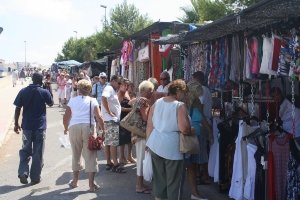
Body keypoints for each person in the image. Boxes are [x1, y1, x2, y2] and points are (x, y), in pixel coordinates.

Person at [146, 79, 196, 200]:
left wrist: (148, 142)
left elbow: (149, 125)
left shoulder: (157, 103)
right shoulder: (179, 106)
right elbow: (184, 129)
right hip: (172, 148)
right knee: (174, 183)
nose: (184, 96)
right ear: (178, 91)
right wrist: (191, 131)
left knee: (159, 180)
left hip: (155, 144)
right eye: (184, 93)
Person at [63, 80, 105, 192]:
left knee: (76, 154)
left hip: (74, 128)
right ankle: (91, 185)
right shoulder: (93, 101)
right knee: (90, 156)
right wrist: (103, 129)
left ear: (79, 89)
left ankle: (75, 181)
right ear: (89, 90)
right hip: (88, 128)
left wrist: (66, 128)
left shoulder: (72, 101)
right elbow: (99, 117)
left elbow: (66, 117)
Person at [13, 72, 54, 185]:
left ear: (32, 79)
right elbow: (51, 103)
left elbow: (17, 108)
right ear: (41, 81)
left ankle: (23, 171)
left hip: (26, 126)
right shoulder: (43, 92)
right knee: (38, 151)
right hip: (40, 127)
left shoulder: (23, 91)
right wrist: (48, 89)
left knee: (25, 149)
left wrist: (16, 124)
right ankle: (35, 177)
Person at [184, 81, 213, 199]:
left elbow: (202, 119)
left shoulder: (197, 103)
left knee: (193, 166)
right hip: (186, 137)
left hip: (198, 137)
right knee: (188, 166)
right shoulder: (182, 103)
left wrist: (210, 132)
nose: (199, 96)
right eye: (197, 93)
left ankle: (194, 192)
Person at [132, 80, 154, 194]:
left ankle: (140, 184)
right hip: (142, 135)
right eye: (150, 90)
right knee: (141, 160)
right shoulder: (144, 101)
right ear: (145, 91)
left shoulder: (138, 100)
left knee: (140, 159)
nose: (152, 92)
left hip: (137, 134)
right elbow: (145, 118)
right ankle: (139, 185)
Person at [101, 75, 126, 173]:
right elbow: (103, 98)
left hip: (109, 120)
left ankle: (109, 162)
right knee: (113, 143)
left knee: (108, 142)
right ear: (113, 81)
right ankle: (115, 164)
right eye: (119, 83)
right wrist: (109, 112)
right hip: (111, 120)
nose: (120, 85)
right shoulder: (109, 88)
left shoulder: (111, 89)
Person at [192, 71, 213, 184]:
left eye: (193, 79)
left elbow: (200, 108)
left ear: (197, 80)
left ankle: (205, 175)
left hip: (202, 123)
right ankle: (199, 173)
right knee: (201, 150)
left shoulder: (202, 90)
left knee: (202, 151)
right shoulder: (206, 90)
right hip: (204, 122)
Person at [117, 78, 136, 164]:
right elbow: (118, 108)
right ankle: (121, 157)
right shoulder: (120, 94)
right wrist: (130, 110)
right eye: (125, 85)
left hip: (129, 118)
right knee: (122, 138)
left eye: (128, 85)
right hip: (123, 118)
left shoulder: (128, 94)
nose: (127, 87)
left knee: (129, 138)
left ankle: (129, 156)